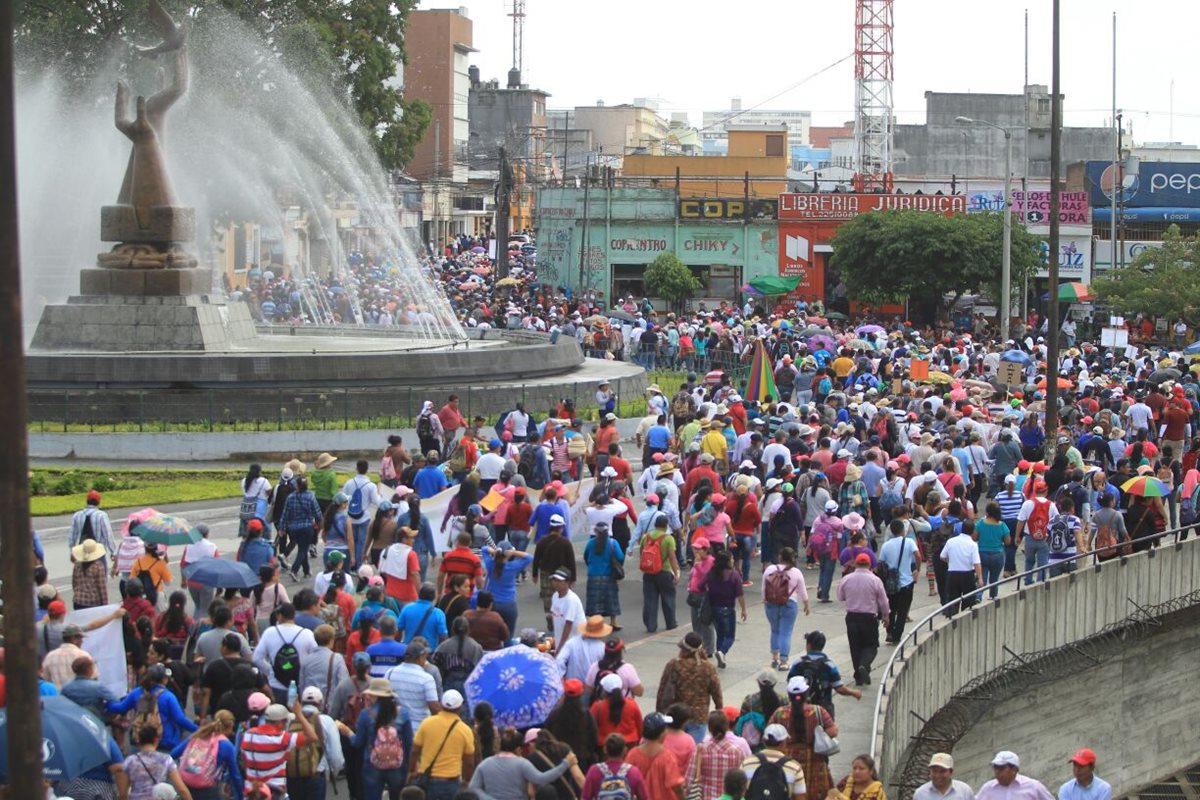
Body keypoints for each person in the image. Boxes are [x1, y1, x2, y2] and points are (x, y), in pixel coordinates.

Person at [767, 676, 836, 800]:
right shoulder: (818, 711)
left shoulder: (779, 713)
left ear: (789, 694)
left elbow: (769, 732)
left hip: (787, 758)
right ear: (806, 693)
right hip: (814, 758)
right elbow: (833, 730)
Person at [108, 664, 199, 753]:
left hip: (139, 740)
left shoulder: (137, 693)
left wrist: (107, 703)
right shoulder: (168, 696)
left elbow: (121, 708)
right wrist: (198, 729)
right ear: (163, 680)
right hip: (163, 741)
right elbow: (180, 719)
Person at [240, 700, 321, 796]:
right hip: (275, 791)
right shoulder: (282, 739)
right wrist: (299, 715)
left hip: (251, 791)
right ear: (280, 723)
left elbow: (244, 761)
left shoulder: (248, 735)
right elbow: (313, 737)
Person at [471, 726, 576, 800]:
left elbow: (473, 787)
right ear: (517, 749)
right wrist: (565, 764)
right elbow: (542, 778)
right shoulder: (522, 764)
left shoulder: (485, 764)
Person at [351, 678, 414, 800]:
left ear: (374, 695)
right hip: (398, 765)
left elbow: (358, 743)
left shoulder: (366, 714)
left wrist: (348, 733)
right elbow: (409, 744)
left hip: (372, 765)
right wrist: (409, 768)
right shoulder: (403, 713)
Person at [408, 689, 477, 800]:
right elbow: (469, 762)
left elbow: (415, 751)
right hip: (451, 782)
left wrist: (412, 770)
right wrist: (466, 781)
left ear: (441, 704)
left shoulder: (427, 723)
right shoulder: (465, 730)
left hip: (426, 780)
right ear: (460, 708)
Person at [656, 633, 722, 744]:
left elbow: (662, 691)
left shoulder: (674, 665)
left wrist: (660, 712)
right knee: (693, 752)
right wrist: (719, 708)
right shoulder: (708, 668)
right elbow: (716, 691)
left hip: (676, 716)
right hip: (699, 717)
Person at [837, 553, 889, 686]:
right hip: (869, 617)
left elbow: (840, 596)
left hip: (852, 617)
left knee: (855, 646)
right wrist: (886, 616)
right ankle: (864, 665)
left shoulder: (847, 578)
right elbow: (883, 601)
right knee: (871, 646)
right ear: (870, 564)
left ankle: (859, 676)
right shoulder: (875, 580)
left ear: (856, 564)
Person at [171, 710, 245, 800]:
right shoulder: (226, 745)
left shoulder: (198, 735)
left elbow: (173, 754)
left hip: (185, 785)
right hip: (207, 790)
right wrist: (240, 796)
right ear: (229, 727)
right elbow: (235, 776)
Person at [787, 631, 861, 720]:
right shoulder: (829, 665)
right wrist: (854, 693)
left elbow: (790, 682)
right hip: (823, 709)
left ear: (808, 645)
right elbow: (840, 689)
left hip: (800, 708)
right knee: (828, 730)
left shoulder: (798, 663)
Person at [252, 602, 319, 696]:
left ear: (279, 616)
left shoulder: (269, 632)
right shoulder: (306, 633)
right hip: (300, 684)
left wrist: (271, 671)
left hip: (276, 685)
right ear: (294, 615)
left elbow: (257, 658)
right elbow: (316, 658)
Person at [761, 547, 810, 671]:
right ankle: (784, 661)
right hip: (789, 604)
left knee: (774, 630)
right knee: (785, 633)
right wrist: (806, 604)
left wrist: (764, 600)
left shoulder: (770, 569)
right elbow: (802, 591)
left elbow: (763, 587)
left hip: (771, 603)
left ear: (780, 557)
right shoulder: (796, 572)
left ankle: (774, 658)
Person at [701, 549, 748, 669]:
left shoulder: (712, 573)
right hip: (728, 608)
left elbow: (701, 585)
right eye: (731, 559)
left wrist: (709, 590)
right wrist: (743, 609)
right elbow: (740, 594)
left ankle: (721, 657)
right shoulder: (734, 575)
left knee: (720, 634)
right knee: (730, 636)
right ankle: (722, 652)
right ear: (727, 561)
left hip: (714, 608)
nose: (733, 560)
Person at [877, 520, 921, 644]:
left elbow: (881, 563)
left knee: (891, 609)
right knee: (903, 611)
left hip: (891, 583)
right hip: (906, 582)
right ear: (903, 530)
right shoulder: (909, 542)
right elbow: (918, 556)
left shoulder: (886, 545)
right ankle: (897, 636)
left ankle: (890, 632)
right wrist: (917, 569)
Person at [625, 713, 686, 800]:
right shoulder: (667, 756)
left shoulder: (633, 754)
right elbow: (676, 785)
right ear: (661, 734)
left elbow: (627, 780)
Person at [124, 724, 193, 800]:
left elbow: (123, 792)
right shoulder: (166, 759)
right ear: (156, 740)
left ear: (138, 740)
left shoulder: (130, 761)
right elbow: (182, 789)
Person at [689, 710, 746, 800]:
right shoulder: (737, 751)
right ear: (727, 727)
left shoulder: (701, 750)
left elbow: (690, 778)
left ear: (710, 728)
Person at [639, 511, 681, 634]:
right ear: (666, 526)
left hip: (649, 572)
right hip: (664, 572)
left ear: (655, 525)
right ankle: (670, 623)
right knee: (668, 598)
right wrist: (676, 572)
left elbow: (642, 552)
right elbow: (672, 557)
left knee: (649, 600)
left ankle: (650, 626)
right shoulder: (668, 539)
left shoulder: (646, 537)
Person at [739, 723, 806, 799]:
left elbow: (739, 792)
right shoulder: (795, 767)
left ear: (763, 741)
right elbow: (800, 797)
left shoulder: (747, 763)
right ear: (784, 743)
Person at [584, 522, 626, 631]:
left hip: (593, 575)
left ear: (595, 531)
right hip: (608, 575)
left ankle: (596, 623)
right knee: (611, 600)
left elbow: (586, 556)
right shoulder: (613, 543)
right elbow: (621, 557)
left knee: (595, 602)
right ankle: (613, 622)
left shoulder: (590, 543)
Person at [582, 734, 649, 800]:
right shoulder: (633, 772)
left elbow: (585, 797)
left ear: (605, 749)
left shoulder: (594, 771)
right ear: (625, 750)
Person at [590, 672, 643, 751]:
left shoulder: (597, 707)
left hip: (605, 747)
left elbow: (591, 727)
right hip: (629, 746)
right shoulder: (632, 704)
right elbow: (640, 725)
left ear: (604, 691)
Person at [345, 460, 382, 567]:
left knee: (351, 541)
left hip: (351, 516)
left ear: (356, 468)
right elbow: (376, 501)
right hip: (364, 517)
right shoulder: (371, 485)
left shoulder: (349, 483)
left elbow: (343, 497)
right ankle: (358, 565)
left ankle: (350, 563)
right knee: (362, 541)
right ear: (367, 469)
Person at [939, 522, 982, 616]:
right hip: (967, 574)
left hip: (952, 574)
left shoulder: (951, 541)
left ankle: (951, 619)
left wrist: (950, 561)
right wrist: (980, 578)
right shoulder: (972, 544)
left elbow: (942, 556)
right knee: (968, 601)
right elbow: (976, 563)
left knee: (952, 600)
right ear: (973, 531)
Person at [975, 752, 1054, 800]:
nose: (997, 771)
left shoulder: (1033, 787)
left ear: (1014, 769)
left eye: (1001, 768)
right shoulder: (987, 789)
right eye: (995, 767)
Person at [549, 568, 587, 653]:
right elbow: (555, 615)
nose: (555, 583)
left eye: (559, 581)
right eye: (554, 580)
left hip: (574, 644)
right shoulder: (555, 596)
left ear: (567, 583)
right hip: (562, 642)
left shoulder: (571, 600)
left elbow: (568, 625)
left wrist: (559, 650)